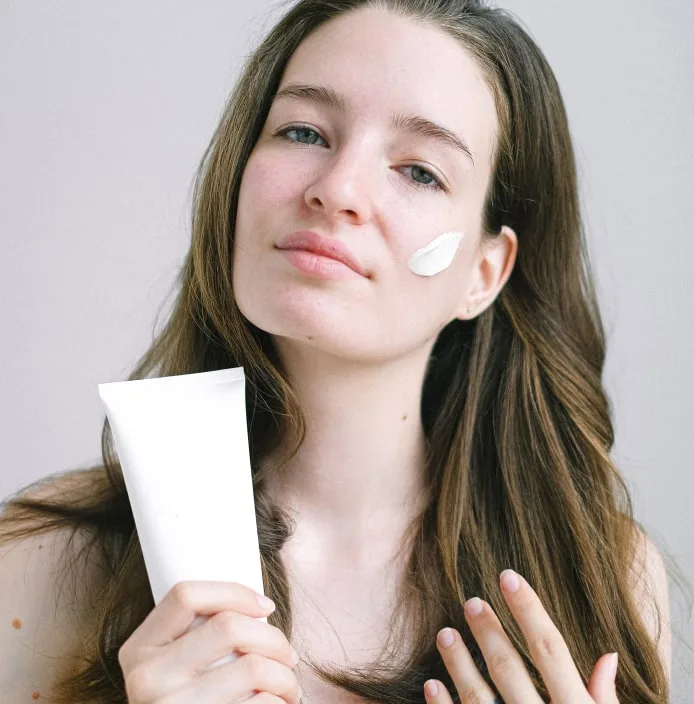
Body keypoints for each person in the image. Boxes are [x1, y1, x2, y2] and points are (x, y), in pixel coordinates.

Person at [0, 0, 683, 702]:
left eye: (420, 171)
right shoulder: (47, 561)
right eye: (303, 132)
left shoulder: (601, 575)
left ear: (485, 272)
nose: (337, 189)